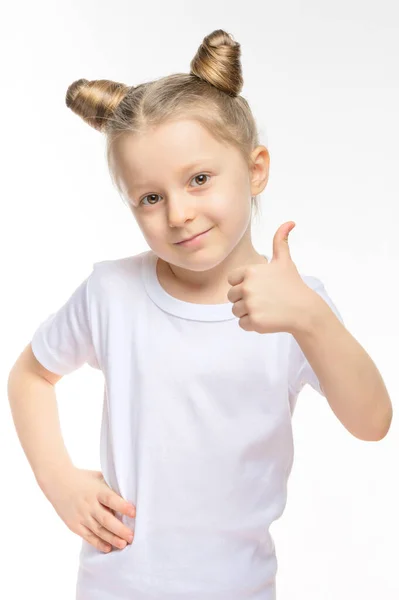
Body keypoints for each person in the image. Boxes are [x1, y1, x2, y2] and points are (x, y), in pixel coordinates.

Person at [7, 28, 391, 600]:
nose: (179, 213)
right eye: (151, 197)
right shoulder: (111, 292)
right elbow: (31, 374)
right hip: (115, 583)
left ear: (255, 169)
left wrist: (312, 318)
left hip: (238, 587)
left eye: (199, 179)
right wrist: (57, 479)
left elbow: (372, 421)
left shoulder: (295, 302)